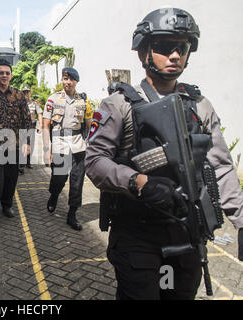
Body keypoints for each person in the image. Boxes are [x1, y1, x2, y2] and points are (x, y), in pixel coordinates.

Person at [85, 8, 243, 300]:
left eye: (181, 48)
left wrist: (241, 221)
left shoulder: (200, 105)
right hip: (138, 236)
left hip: (186, 236)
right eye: (164, 47)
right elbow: (95, 162)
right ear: (144, 51)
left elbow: (220, 166)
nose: (174, 55)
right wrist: (138, 182)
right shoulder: (119, 105)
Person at [0, 62, 32, 231]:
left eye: (7, 73)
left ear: (10, 75)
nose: (4, 75)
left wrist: (27, 143)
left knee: (11, 178)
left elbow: (26, 121)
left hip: (14, 145)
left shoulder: (18, 96)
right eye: (1, 73)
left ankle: (7, 204)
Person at [42, 68, 93, 231]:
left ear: (76, 82)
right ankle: (54, 194)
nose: (68, 82)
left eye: (71, 80)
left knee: (77, 180)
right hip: (59, 143)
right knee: (59, 177)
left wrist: (91, 144)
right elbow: (45, 125)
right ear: (62, 80)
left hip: (78, 145)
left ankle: (72, 214)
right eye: (65, 79)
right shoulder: (53, 99)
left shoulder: (84, 101)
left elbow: (89, 125)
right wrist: (46, 149)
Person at [20, 86, 43, 172]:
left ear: (30, 93)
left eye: (27, 92)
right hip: (21, 126)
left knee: (31, 144)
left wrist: (40, 125)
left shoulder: (34, 103)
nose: (26, 94)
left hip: (31, 126)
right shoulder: (19, 103)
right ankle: (21, 164)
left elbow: (40, 114)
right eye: (24, 92)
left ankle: (28, 162)